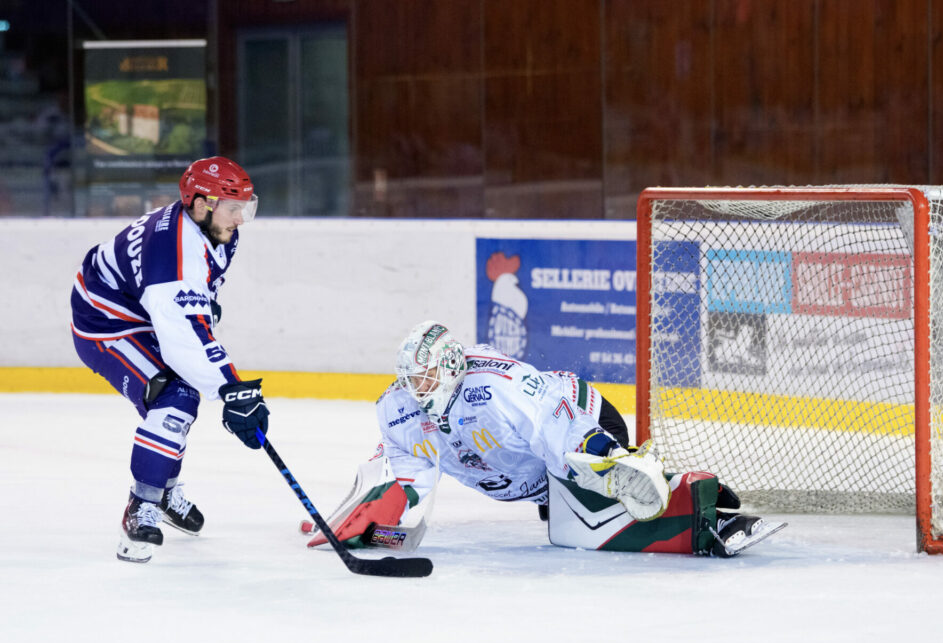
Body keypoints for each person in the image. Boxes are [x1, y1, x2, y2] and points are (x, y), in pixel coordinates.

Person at [307, 321, 780, 557]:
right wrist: (370, 522)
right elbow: (406, 473)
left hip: (583, 422)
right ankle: (595, 496)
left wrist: (608, 459)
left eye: (426, 377)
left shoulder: (496, 386)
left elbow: (557, 427)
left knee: (587, 524)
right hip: (534, 477)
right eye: (410, 379)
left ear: (451, 368)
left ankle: (703, 516)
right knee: (561, 517)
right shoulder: (398, 408)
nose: (417, 388)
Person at [71, 156, 271, 563]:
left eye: (245, 206)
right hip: (106, 325)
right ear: (201, 203)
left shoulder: (213, 227)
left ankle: (163, 489)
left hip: (142, 311)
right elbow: (183, 334)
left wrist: (203, 306)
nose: (241, 218)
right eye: (234, 207)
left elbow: (196, 298)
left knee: (182, 394)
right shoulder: (174, 254)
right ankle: (143, 504)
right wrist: (234, 389)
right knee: (175, 397)